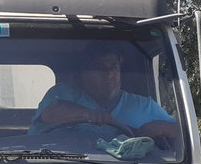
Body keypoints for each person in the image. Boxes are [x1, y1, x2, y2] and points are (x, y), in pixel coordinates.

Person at [29, 44, 180, 144]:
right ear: (84, 73)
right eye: (99, 68)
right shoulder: (61, 94)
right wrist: (88, 114)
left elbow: (184, 136)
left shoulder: (144, 106)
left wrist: (162, 127)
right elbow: (50, 114)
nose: (109, 74)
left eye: (113, 67)